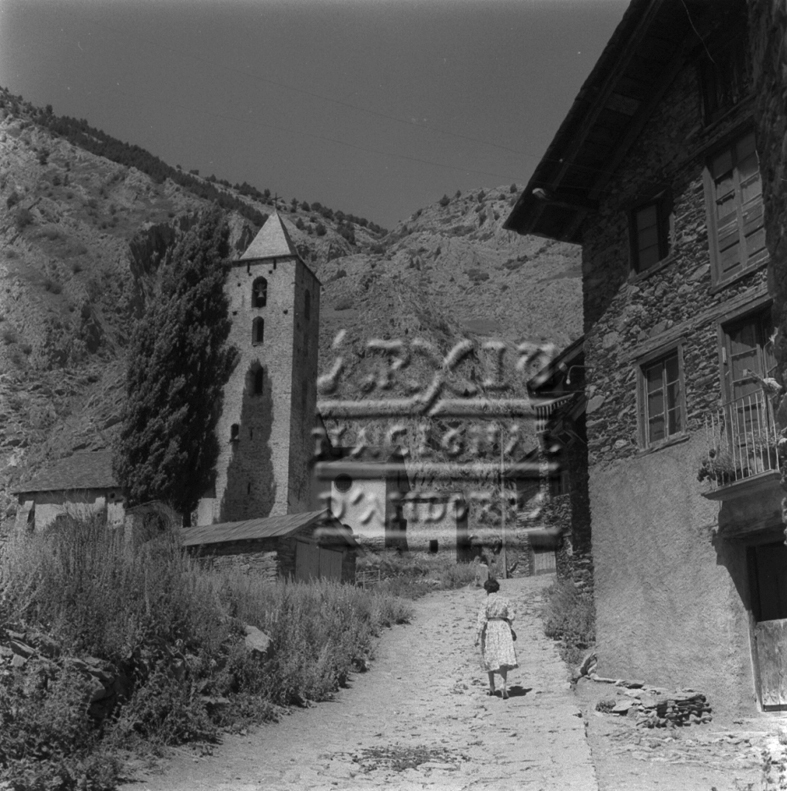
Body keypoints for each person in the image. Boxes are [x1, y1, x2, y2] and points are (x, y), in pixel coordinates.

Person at [474, 577, 517, 699]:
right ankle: (503, 684)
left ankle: (492, 686)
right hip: (503, 627)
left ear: (486, 589)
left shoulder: (485, 602)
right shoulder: (505, 600)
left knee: (490, 655)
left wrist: (477, 635)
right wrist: (506, 621)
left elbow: (481, 619)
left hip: (490, 627)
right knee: (503, 655)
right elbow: (512, 616)